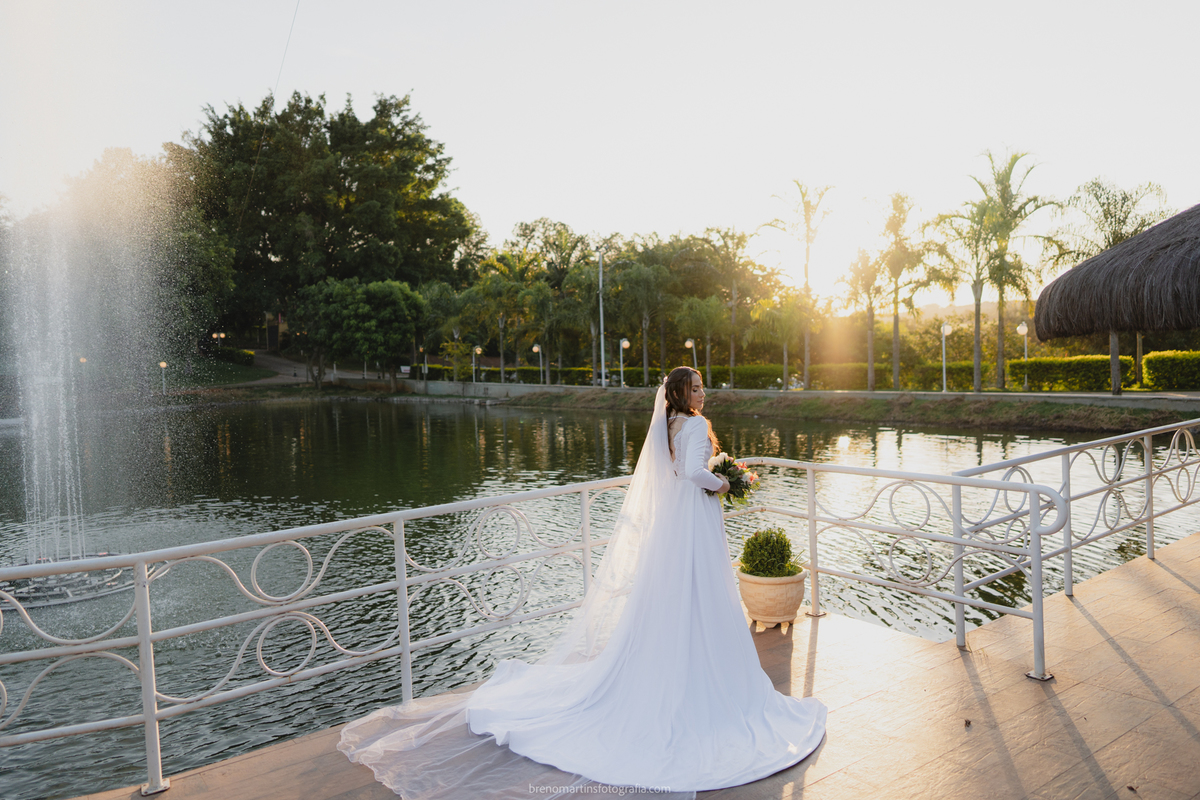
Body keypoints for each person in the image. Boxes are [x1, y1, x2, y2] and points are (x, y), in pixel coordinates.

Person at [339, 366, 826, 799]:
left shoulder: (670, 425)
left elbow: (676, 469)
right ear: (679, 394)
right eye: (694, 387)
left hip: (677, 524)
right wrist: (724, 482)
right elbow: (695, 473)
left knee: (677, 595)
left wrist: (713, 476)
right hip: (694, 519)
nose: (702, 393)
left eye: (702, 386)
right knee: (702, 592)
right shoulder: (694, 423)